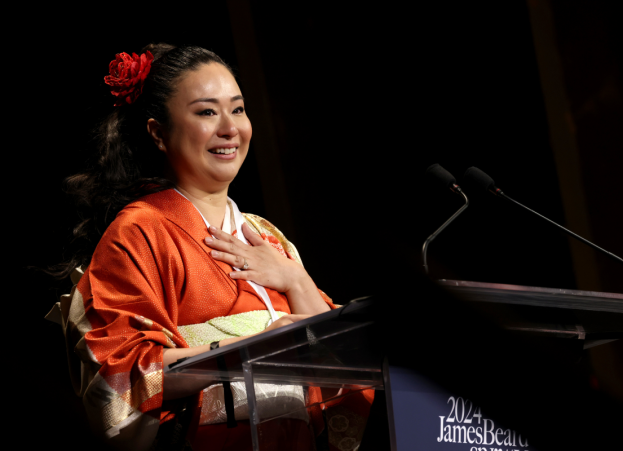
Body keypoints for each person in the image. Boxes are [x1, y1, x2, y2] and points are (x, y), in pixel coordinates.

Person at [50, 43, 373, 451]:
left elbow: (346, 364)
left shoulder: (265, 235)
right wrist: (258, 348)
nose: (230, 128)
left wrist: (295, 279)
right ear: (157, 133)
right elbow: (124, 374)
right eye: (207, 112)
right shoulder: (140, 231)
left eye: (238, 109)